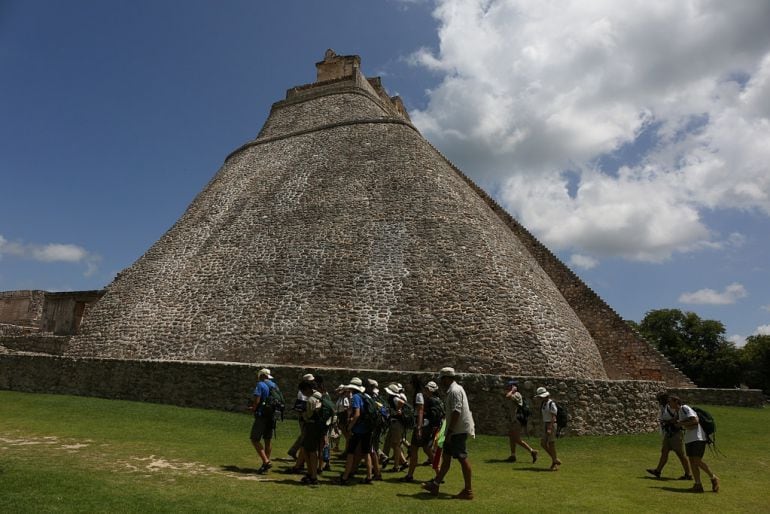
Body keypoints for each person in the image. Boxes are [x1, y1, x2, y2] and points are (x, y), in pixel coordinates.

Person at [422, 367, 475, 500]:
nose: (441, 382)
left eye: (442, 379)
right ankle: (435, 484)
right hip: (453, 430)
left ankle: (468, 490)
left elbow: (456, 411)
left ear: (447, 378)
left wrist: (450, 431)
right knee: (446, 457)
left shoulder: (455, 391)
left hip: (457, 430)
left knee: (462, 458)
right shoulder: (454, 390)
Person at [668, 395, 720, 493]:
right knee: (692, 461)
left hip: (698, 438)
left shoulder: (685, 408)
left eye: (670, 401)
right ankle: (698, 485)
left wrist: (681, 423)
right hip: (689, 439)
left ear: (676, 402)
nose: (669, 403)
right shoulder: (678, 412)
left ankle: (713, 478)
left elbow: (695, 420)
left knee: (697, 460)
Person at [402, 379, 442, 482]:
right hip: (431, 427)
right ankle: (439, 474)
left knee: (414, 449)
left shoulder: (421, 396)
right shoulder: (437, 399)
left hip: (423, 426)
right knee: (427, 449)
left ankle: (410, 475)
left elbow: (420, 412)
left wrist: (418, 428)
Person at [646, 392, 692, 480]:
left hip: (675, 433)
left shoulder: (672, 408)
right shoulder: (665, 407)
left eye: (660, 399)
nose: (659, 401)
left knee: (680, 454)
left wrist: (669, 422)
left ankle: (688, 474)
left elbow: (678, 417)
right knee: (664, 451)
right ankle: (658, 471)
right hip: (668, 433)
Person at [339, 377, 374, 484]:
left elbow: (357, 414)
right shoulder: (365, 396)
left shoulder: (356, 397)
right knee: (366, 452)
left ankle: (345, 476)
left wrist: (349, 426)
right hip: (367, 429)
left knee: (350, 452)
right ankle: (369, 476)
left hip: (358, 430)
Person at [248, 368, 275, 473]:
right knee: (268, 440)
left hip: (262, 415)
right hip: (272, 415)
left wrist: (253, 408)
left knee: (254, 439)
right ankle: (265, 465)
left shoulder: (260, 385)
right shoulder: (273, 385)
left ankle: (266, 461)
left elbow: (257, 400)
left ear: (261, 376)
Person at [504, 380, 538, 464]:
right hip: (513, 420)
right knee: (511, 437)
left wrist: (512, 391)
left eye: (509, 386)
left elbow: (507, 396)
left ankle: (532, 451)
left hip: (517, 420)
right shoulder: (513, 394)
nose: (507, 388)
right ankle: (513, 455)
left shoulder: (517, 394)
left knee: (516, 439)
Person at [298, 380, 323, 485]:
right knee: (311, 450)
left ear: (307, 389)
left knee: (311, 451)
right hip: (320, 427)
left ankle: (313, 476)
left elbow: (308, 416)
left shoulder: (311, 400)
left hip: (312, 426)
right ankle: (312, 473)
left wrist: (302, 413)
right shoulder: (321, 396)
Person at [384, 384, 409, 472]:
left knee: (396, 445)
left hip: (396, 423)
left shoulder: (394, 398)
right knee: (394, 444)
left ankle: (396, 466)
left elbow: (402, 403)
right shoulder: (394, 398)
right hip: (395, 423)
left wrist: (397, 410)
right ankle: (404, 462)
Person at [536, 386, 561, 471]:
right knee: (543, 443)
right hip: (545, 424)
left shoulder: (551, 403)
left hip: (551, 424)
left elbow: (554, 416)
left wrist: (550, 427)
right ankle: (555, 459)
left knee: (551, 443)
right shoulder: (543, 403)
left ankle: (554, 462)